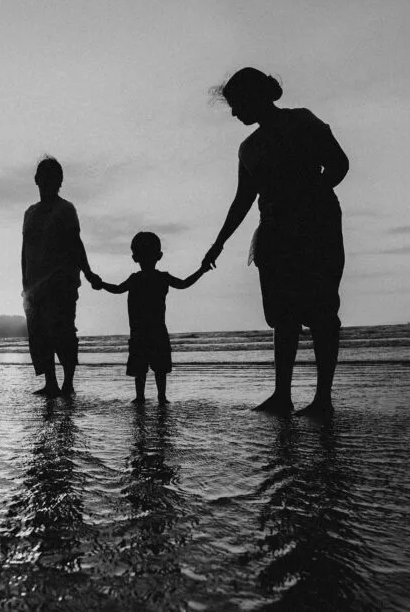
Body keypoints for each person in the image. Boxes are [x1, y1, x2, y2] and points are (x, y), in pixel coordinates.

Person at [202, 67, 349, 416]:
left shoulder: (302, 121)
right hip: (273, 235)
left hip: (317, 228)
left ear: (255, 96)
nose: (234, 113)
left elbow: (339, 164)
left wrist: (310, 196)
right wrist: (218, 243)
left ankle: (322, 400)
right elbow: (242, 201)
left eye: (236, 104)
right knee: (284, 316)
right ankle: (282, 395)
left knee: (322, 311)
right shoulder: (248, 148)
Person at [96, 232, 209, 404]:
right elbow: (184, 283)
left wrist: (101, 284)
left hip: (139, 331)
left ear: (135, 258)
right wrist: (202, 270)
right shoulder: (161, 278)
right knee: (160, 369)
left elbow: (117, 289)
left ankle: (141, 396)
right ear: (159, 256)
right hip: (157, 330)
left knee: (141, 369)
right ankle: (161, 397)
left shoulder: (135, 279)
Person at [21, 155, 101, 398]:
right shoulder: (30, 213)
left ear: (60, 181)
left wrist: (88, 273)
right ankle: (51, 383)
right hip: (34, 286)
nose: (48, 182)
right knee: (40, 335)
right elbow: (26, 249)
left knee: (64, 332)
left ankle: (67, 383)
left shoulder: (66, 209)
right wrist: (25, 282)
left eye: (53, 178)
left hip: (61, 283)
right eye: (44, 177)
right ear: (36, 180)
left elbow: (75, 243)